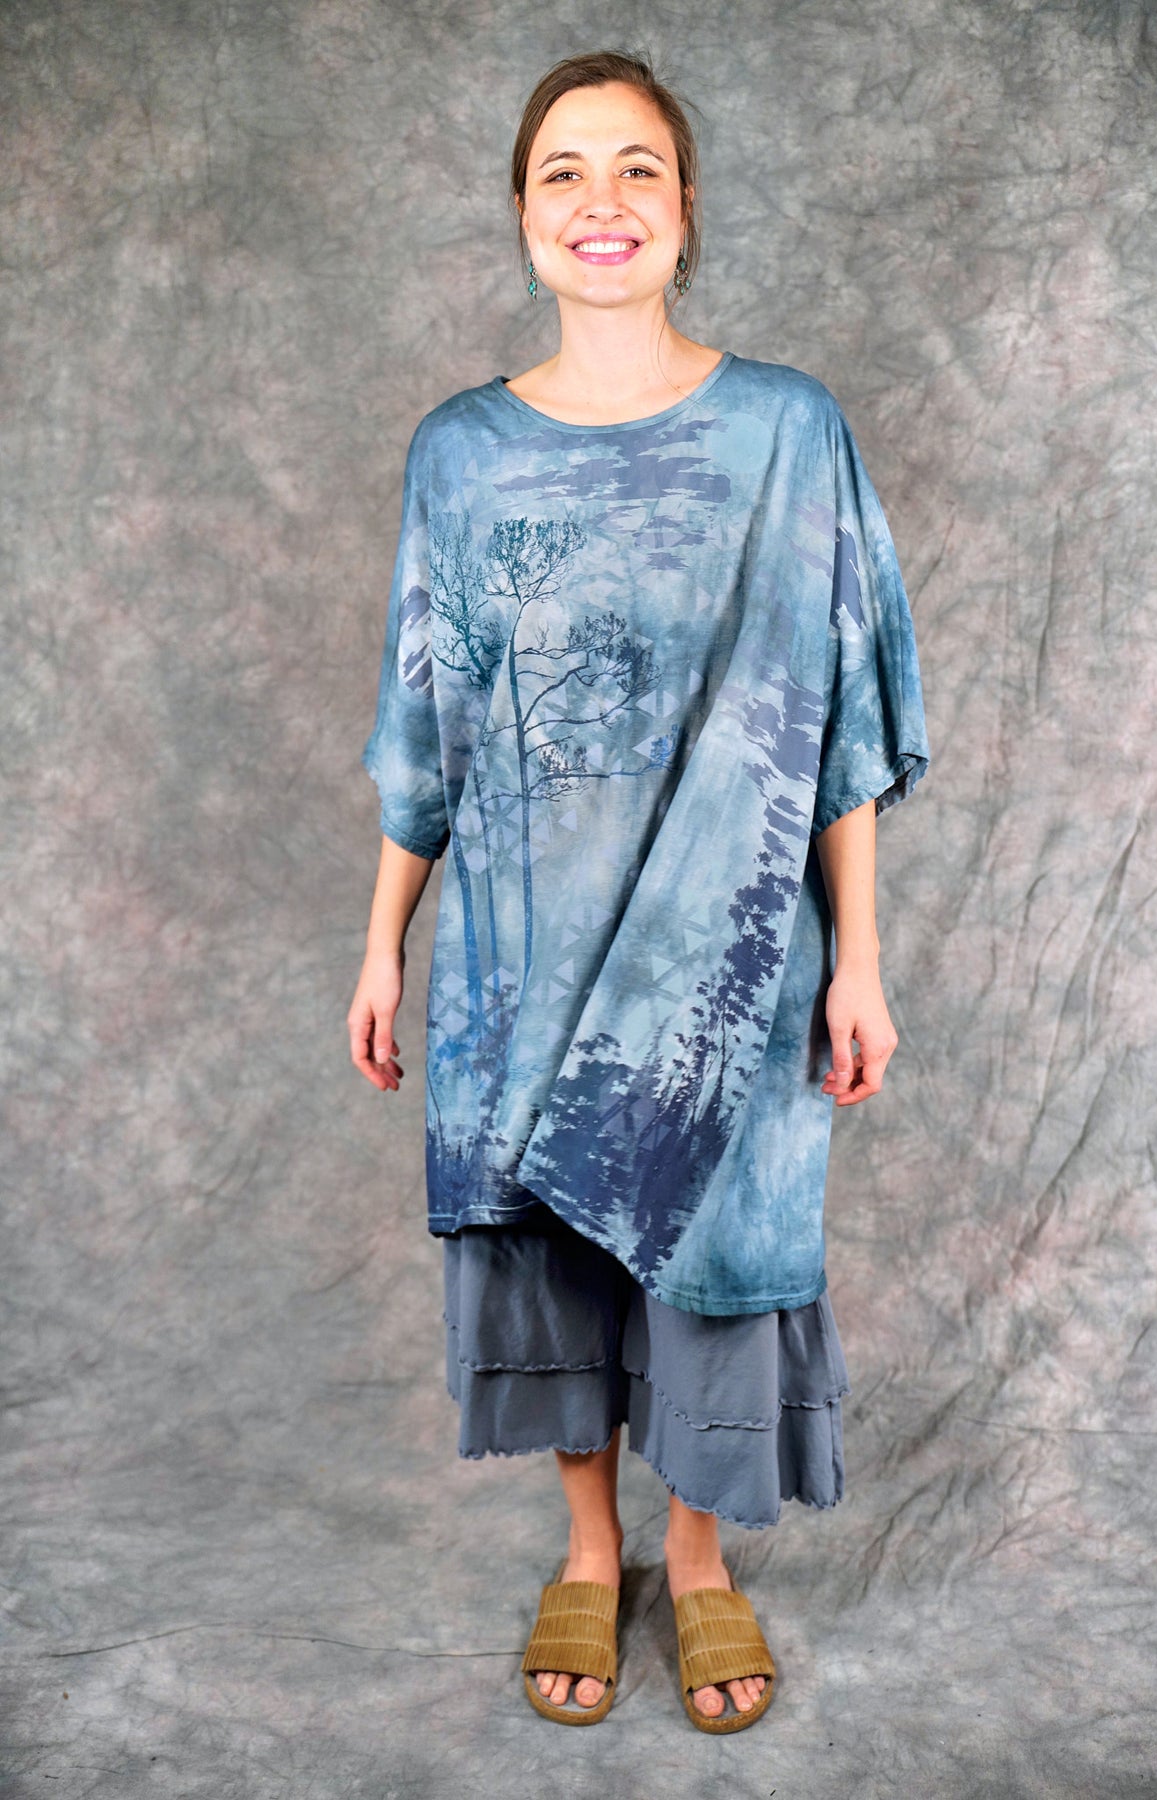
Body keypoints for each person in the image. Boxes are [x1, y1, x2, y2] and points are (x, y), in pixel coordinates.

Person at [348, 49, 931, 1734]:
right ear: (524, 216)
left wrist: (861, 958)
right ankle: (592, 1550)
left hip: (732, 964)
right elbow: (427, 723)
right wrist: (381, 943)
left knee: (717, 1253)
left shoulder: (786, 431)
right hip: (519, 953)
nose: (600, 202)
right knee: (552, 1251)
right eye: (563, 172)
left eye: (637, 170)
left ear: (684, 213)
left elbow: (839, 718)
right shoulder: (459, 454)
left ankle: (698, 1556)